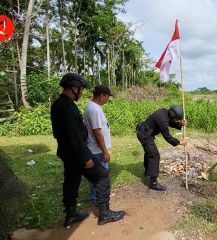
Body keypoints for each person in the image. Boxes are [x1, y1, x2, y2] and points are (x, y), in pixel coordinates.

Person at [50, 73, 124, 228]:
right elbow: (75, 136)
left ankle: (71, 215)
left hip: (67, 153)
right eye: (81, 89)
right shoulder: (68, 107)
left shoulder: (58, 104)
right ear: (74, 88)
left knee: (71, 182)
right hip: (77, 154)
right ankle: (104, 214)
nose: (82, 92)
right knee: (102, 176)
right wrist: (86, 158)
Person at [136, 105, 188, 191]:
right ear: (172, 115)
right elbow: (167, 137)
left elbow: (170, 122)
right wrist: (180, 142)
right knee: (154, 155)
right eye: (176, 119)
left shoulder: (165, 112)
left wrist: (180, 124)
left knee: (149, 152)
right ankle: (153, 183)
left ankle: (147, 172)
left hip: (146, 132)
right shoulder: (162, 119)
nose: (176, 120)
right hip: (144, 135)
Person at [83, 85, 113, 204]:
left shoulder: (93, 107)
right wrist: (105, 152)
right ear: (101, 96)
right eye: (107, 97)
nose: (108, 99)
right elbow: (97, 132)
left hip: (95, 149)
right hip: (97, 150)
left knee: (96, 176)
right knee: (101, 177)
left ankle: (95, 198)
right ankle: (100, 200)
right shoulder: (94, 109)